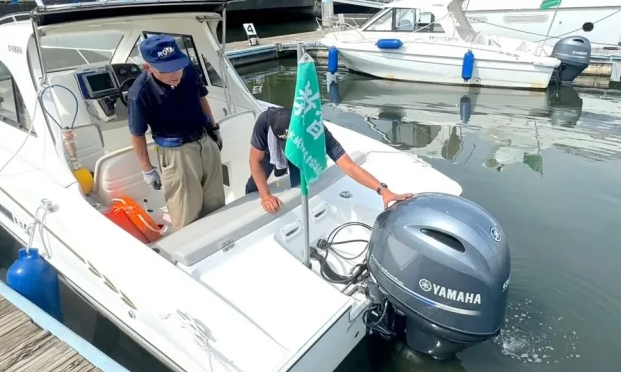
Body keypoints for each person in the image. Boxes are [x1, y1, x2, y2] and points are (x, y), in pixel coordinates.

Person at [128, 35, 225, 230]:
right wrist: (147, 168)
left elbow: (201, 98)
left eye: (178, 66)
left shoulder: (187, 71)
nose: (176, 74)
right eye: (168, 70)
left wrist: (214, 128)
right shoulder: (139, 92)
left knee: (216, 202)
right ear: (148, 67)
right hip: (176, 152)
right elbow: (137, 133)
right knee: (186, 212)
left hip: (205, 140)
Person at [246, 106, 412, 213]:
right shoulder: (265, 121)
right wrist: (265, 196)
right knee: (254, 187)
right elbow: (255, 160)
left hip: (301, 154)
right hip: (271, 150)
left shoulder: (318, 131)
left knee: (299, 192)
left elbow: (349, 166)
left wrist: (383, 190)